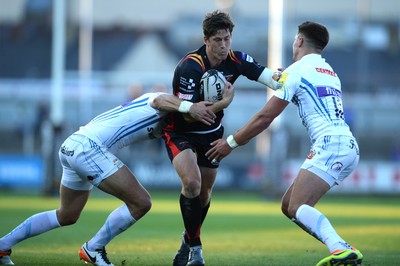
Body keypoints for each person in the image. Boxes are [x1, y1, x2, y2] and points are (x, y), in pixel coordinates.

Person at [0, 89, 234, 266]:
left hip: (72, 145)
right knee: (141, 202)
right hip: (88, 148)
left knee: (67, 215)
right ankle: (94, 248)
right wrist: (193, 107)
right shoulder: (169, 102)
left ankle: (2, 246)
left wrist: (213, 108)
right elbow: (159, 99)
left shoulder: (176, 120)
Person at [206, 21, 363, 266]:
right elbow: (307, 96)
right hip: (346, 145)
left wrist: (231, 143)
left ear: (299, 41)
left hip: (331, 145)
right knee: (289, 205)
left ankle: (340, 248)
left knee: (298, 205)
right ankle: (339, 247)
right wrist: (286, 77)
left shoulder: (297, 70)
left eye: (294, 39)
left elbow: (265, 117)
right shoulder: (329, 72)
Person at [162, 10, 280, 266]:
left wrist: (283, 78)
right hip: (181, 132)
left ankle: (187, 240)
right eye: (218, 40)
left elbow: (268, 76)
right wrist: (224, 102)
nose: (224, 45)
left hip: (211, 135)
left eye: (227, 39)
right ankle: (197, 251)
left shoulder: (235, 59)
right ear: (206, 39)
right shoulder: (190, 66)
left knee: (204, 194)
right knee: (192, 184)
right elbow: (192, 115)